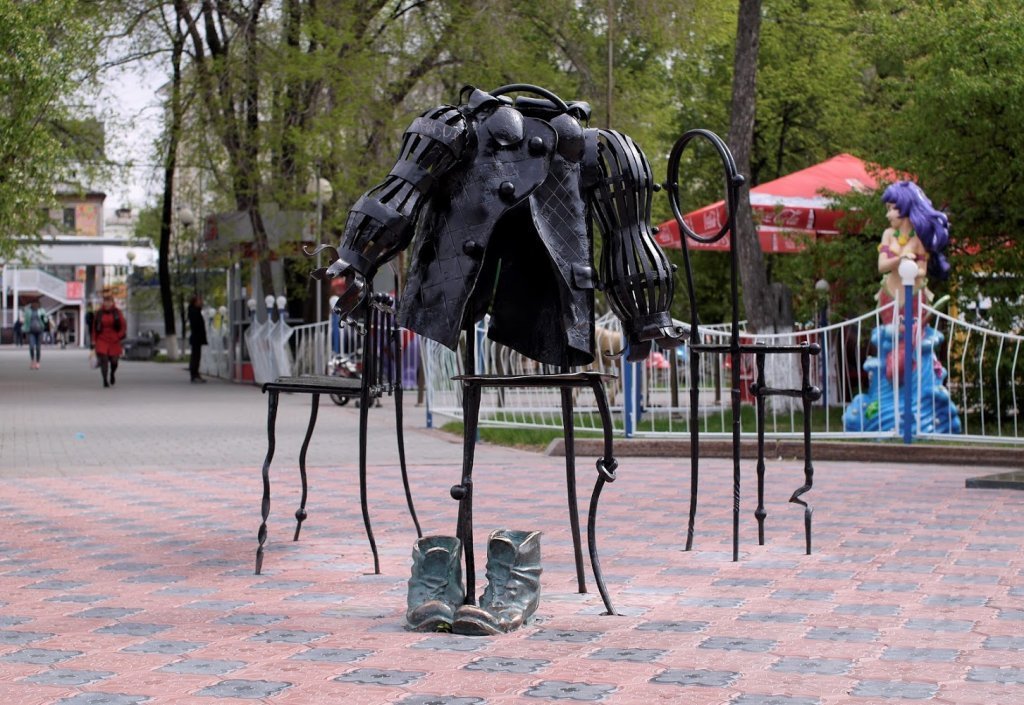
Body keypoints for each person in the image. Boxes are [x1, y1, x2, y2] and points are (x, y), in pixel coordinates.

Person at [876, 181, 950, 323]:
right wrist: (901, 260)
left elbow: (922, 270)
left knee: (915, 332)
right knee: (890, 333)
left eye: (891, 209)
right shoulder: (888, 234)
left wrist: (911, 270)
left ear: (905, 206)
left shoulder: (918, 239)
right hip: (890, 294)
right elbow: (882, 266)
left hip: (915, 294)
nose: (887, 215)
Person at [93, 292, 127, 388]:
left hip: (114, 339)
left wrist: (119, 336)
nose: (107, 304)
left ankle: (112, 373)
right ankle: (105, 380)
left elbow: (123, 326)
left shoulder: (117, 312)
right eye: (105, 301)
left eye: (109, 301)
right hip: (102, 339)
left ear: (112, 302)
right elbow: (94, 328)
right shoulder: (99, 313)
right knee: (104, 360)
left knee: (114, 361)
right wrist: (94, 340)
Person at [187, 294, 208, 383]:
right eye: (199, 301)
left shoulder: (196, 311)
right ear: (195, 302)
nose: (201, 302)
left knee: (196, 356)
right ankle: (194, 374)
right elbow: (196, 325)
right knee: (195, 357)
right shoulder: (194, 312)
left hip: (197, 337)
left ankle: (196, 374)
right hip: (196, 337)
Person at [22, 300, 48, 369]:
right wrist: (24, 328)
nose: (34, 305)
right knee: (31, 346)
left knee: (38, 347)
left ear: (38, 304)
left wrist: (45, 320)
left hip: (40, 331)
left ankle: (38, 362)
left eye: (36, 303)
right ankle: (32, 361)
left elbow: (45, 320)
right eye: (33, 303)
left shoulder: (41, 310)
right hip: (31, 331)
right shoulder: (28, 311)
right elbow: (26, 321)